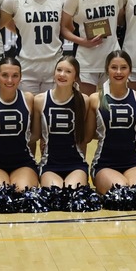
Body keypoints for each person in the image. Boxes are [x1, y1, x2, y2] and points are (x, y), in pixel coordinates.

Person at [0, 0, 66, 94]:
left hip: (54, 66)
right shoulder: (14, 0)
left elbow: (66, 26)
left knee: (50, 114)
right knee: (29, 114)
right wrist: (20, 29)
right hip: (26, 67)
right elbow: (0, 25)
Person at [61, 0, 124, 95]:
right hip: (87, 59)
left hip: (112, 57)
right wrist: (82, 41)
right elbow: (64, 28)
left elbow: (120, 18)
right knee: (87, 104)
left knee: (111, 106)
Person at [89, 50, 136, 194]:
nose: (118, 72)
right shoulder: (95, 99)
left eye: (123, 67)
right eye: (114, 67)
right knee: (121, 193)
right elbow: (86, 136)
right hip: (104, 163)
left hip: (133, 162)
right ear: (107, 70)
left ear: (130, 70)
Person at [0, 57, 39, 190]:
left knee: (23, 193)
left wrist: (24, 139)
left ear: (21, 77)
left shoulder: (28, 98)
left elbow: (35, 133)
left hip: (23, 162)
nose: (10, 80)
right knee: (0, 194)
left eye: (15, 76)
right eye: (5, 75)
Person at [34, 55, 92, 189]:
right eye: (59, 70)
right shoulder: (40, 100)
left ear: (75, 77)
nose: (62, 74)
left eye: (68, 71)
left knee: (73, 193)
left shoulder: (84, 101)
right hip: (50, 164)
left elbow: (83, 139)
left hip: (76, 164)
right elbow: (36, 136)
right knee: (55, 194)